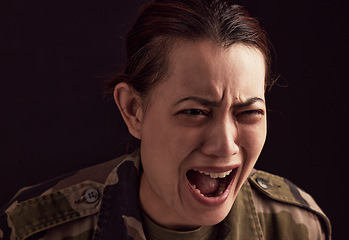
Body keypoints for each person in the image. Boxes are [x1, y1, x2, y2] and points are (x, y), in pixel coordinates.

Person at [0, 0, 331, 239]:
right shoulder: (36, 229)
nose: (224, 145)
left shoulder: (295, 226)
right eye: (195, 112)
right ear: (133, 110)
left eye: (249, 113)